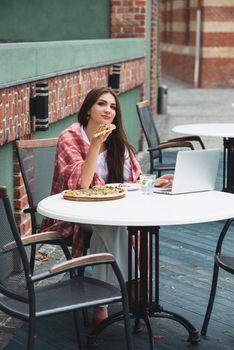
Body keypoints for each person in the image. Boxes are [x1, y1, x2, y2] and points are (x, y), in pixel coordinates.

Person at [41, 86, 172, 325]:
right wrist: (94, 146)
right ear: (88, 109)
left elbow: (133, 180)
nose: (108, 110)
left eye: (112, 106)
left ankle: (100, 303)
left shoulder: (116, 140)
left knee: (114, 227)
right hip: (75, 212)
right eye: (101, 104)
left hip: (113, 211)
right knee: (111, 227)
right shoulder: (70, 136)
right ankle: (134, 284)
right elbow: (80, 185)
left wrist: (155, 182)